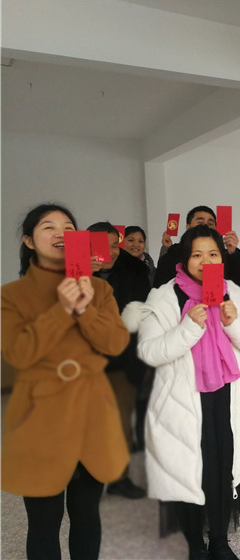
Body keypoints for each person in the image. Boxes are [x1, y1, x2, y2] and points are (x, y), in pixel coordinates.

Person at [126, 225, 240, 559]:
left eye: (213, 254)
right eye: (197, 255)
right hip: (182, 401)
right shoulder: (164, 296)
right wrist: (189, 327)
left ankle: (219, 540)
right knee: (188, 471)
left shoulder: (232, 291)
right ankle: (192, 544)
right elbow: (149, 351)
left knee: (222, 468)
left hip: (226, 399)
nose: (205, 261)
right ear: (184, 259)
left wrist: (233, 323)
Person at [1, 203, 130, 560]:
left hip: (91, 418)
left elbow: (116, 344)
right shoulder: (11, 296)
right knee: (44, 523)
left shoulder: (99, 290)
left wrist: (85, 308)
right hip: (38, 422)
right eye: (48, 227)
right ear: (29, 241)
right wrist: (61, 310)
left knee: (87, 516)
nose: (60, 233)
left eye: (68, 227)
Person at [88, 221, 150, 499]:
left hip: (125, 359)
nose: (110, 252)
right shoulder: (71, 276)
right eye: (102, 246)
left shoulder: (134, 272)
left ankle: (119, 477)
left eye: (115, 245)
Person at [154, 206, 240, 291]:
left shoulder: (225, 254)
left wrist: (233, 253)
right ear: (188, 227)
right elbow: (161, 290)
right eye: (200, 222)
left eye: (210, 224)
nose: (205, 226)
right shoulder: (171, 256)